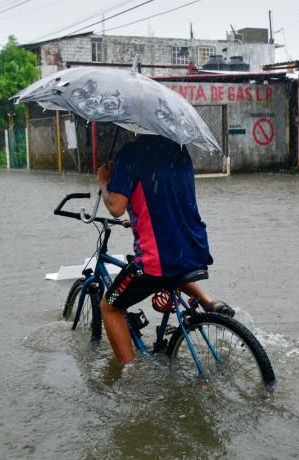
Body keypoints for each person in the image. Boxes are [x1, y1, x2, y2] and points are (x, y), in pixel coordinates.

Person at [96, 133, 234, 363]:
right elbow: (166, 197)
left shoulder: (131, 154)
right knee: (172, 269)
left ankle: (129, 377)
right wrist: (138, 217)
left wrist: (103, 180)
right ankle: (209, 301)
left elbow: (116, 207)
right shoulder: (179, 150)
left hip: (157, 261)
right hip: (192, 248)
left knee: (109, 307)